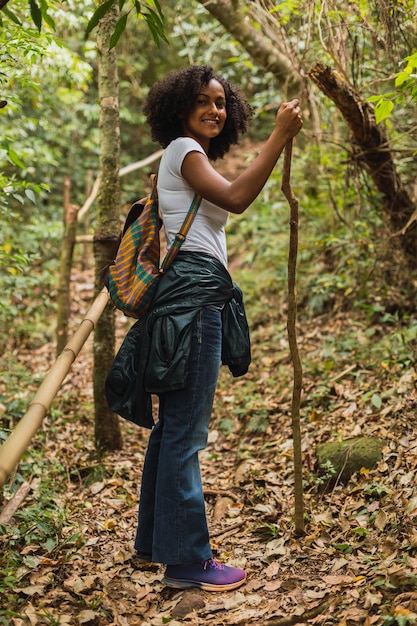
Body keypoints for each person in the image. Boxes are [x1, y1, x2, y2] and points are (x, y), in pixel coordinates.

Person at [133, 65, 303, 592]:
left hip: (188, 296)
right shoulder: (183, 149)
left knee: (172, 426)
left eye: (222, 103)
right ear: (180, 108)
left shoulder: (188, 155)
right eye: (204, 101)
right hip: (193, 301)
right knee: (186, 431)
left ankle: (153, 542)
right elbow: (235, 198)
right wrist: (279, 136)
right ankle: (188, 560)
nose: (215, 109)